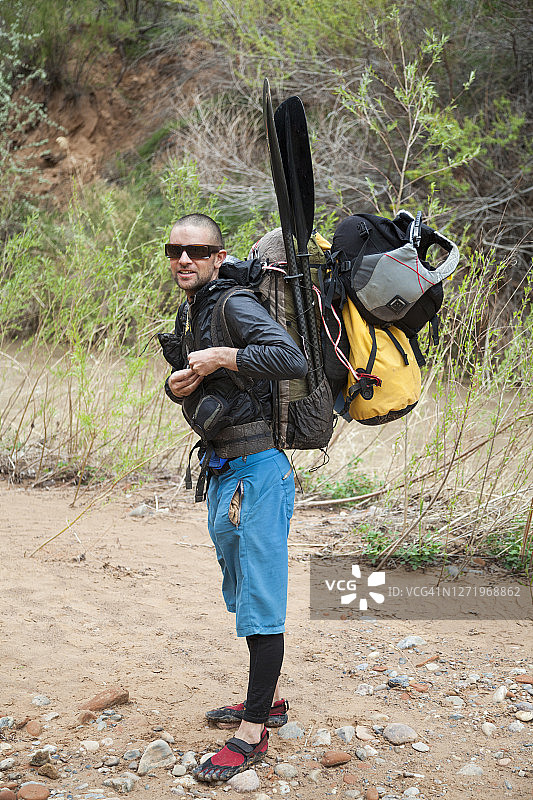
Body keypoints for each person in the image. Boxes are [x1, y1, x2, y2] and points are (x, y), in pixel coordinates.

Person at [163, 213, 308, 782]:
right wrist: (179, 383)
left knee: (261, 598)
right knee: (243, 588)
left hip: (259, 474)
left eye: (197, 251)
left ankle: (254, 731)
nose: (184, 260)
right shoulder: (193, 310)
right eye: (175, 250)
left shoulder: (232, 304)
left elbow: (290, 359)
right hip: (226, 473)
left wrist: (224, 356)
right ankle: (266, 699)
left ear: (219, 258)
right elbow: (211, 388)